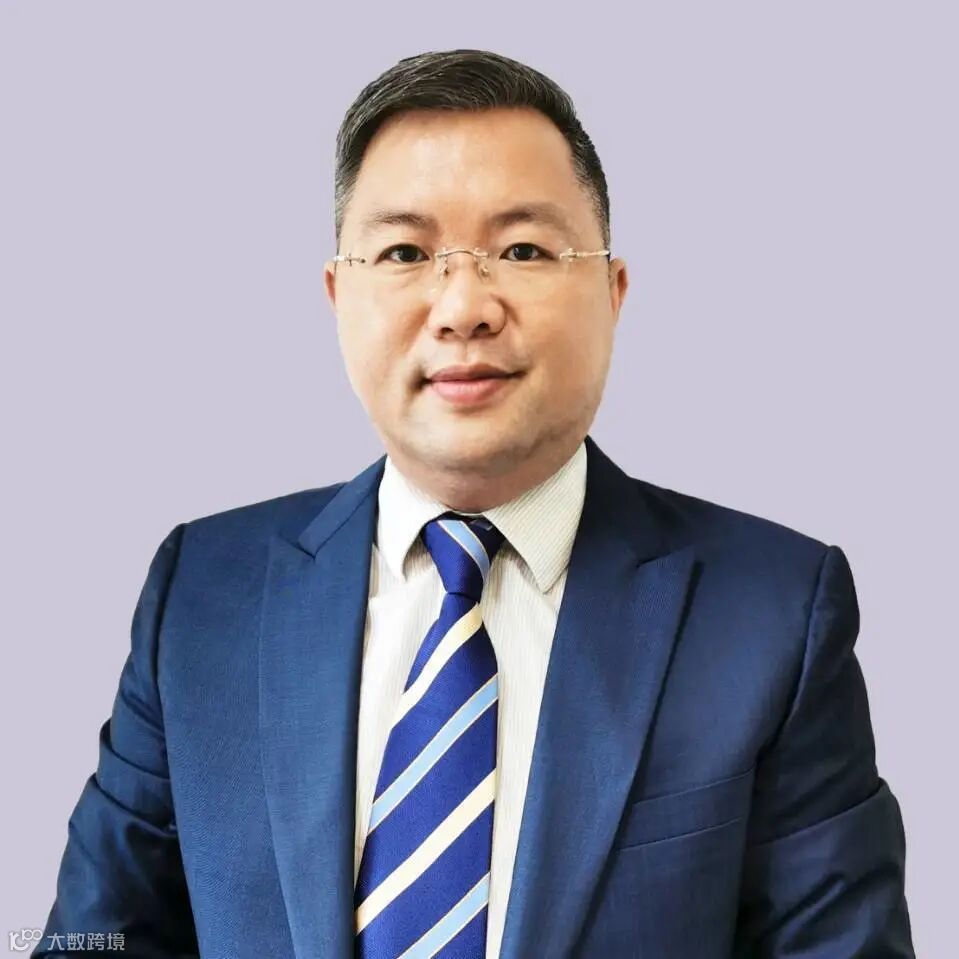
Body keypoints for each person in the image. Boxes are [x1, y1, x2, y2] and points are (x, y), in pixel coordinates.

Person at [35, 49, 914, 958]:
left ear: (611, 292)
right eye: (405, 253)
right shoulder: (203, 595)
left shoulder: (770, 612)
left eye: (523, 250)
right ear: (337, 295)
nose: (462, 307)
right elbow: (93, 939)